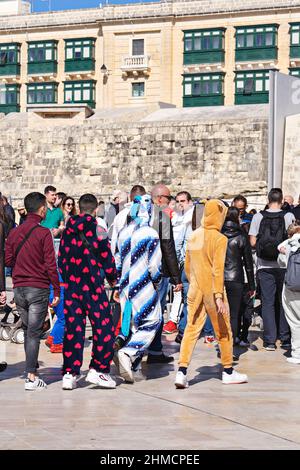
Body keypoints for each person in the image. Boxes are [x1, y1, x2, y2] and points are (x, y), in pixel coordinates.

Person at [174, 199, 248, 388]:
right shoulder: (219, 238)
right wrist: (217, 296)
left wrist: (194, 284)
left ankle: (182, 371)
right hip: (213, 290)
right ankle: (228, 370)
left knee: (191, 330)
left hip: (195, 288)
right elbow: (217, 269)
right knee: (224, 331)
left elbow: (188, 267)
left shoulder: (194, 236)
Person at [58, 193, 117, 390]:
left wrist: (68, 279)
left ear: (79, 207)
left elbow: (61, 259)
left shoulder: (67, 230)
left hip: (72, 287)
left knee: (73, 330)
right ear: (95, 209)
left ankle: (70, 373)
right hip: (92, 287)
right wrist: (113, 280)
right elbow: (107, 257)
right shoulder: (98, 229)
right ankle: (98, 370)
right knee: (103, 327)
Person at [5, 192, 60, 391]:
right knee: (34, 333)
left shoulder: (13, 233)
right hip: (38, 288)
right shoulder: (43, 233)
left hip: (19, 289)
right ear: (42, 209)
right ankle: (31, 376)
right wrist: (57, 289)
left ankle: (31, 367)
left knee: (29, 330)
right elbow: (50, 265)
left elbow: (8, 261)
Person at [114, 194, 162, 383]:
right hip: (143, 285)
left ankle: (133, 368)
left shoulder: (124, 232)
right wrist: (157, 282)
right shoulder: (150, 233)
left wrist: (118, 284)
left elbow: (117, 260)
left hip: (126, 285)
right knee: (152, 322)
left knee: (134, 324)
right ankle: (128, 352)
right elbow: (154, 266)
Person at [249, 188, 294, 351]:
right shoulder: (288, 216)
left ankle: (269, 341)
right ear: (282, 200)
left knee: (267, 302)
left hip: (264, 265)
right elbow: (292, 239)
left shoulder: (258, 216)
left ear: (268, 199)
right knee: (283, 302)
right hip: (283, 266)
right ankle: (285, 338)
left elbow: (253, 242)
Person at [147, 183, 182, 364]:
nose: (170, 203)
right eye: (169, 199)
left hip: (137, 272)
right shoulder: (162, 217)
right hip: (158, 273)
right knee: (157, 312)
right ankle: (154, 350)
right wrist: (176, 277)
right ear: (160, 198)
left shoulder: (135, 215)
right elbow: (168, 248)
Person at [222, 207, 255, 349]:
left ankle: (222, 344)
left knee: (221, 314)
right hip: (236, 277)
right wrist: (252, 285)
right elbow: (248, 263)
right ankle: (230, 345)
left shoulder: (218, 235)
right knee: (234, 314)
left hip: (220, 277)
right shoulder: (241, 236)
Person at [163, 191, 193, 335]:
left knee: (185, 293)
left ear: (189, 202)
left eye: (183, 201)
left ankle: (179, 322)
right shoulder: (175, 218)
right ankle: (175, 321)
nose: (180, 203)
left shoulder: (192, 218)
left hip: (187, 260)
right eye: (178, 201)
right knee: (178, 292)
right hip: (175, 259)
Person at [278, 221, 300, 363]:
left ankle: (297, 354)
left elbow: (281, 262)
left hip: (292, 287)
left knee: (294, 321)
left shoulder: (286, 245)